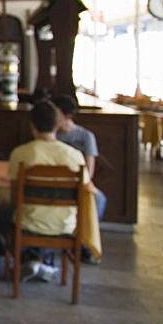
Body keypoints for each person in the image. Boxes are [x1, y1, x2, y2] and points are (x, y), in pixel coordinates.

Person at [8, 101, 89, 280]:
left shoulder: (20, 154)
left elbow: (15, 198)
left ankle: (29, 259)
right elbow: (84, 193)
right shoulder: (75, 156)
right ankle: (41, 261)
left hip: (28, 223)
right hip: (66, 225)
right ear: (57, 125)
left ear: (31, 126)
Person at [53, 95, 106, 264]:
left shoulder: (85, 136)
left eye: (56, 113)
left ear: (67, 116)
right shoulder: (51, 135)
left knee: (99, 199)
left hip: (79, 183)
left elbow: (89, 171)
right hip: (54, 183)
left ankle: (84, 243)